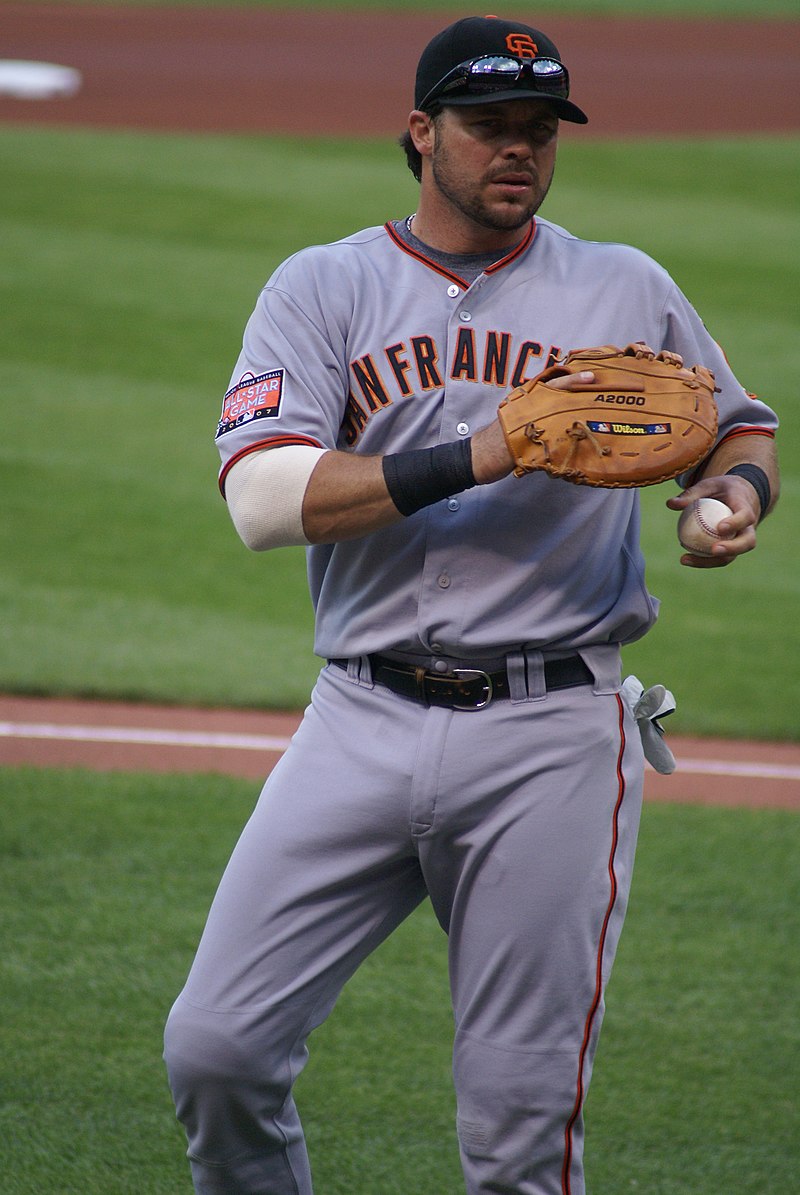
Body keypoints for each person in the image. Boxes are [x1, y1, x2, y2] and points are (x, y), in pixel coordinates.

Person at [163, 15, 779, 1194]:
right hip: (358, 717)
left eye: (538, 131)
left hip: (550, 732)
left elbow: (734, 423)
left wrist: (726, 501)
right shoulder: (323, 286)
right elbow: (261, 499)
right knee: (218, 1049)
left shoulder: (621, 283)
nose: (518, 150)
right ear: (418, 133)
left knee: (517, 1127)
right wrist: (486, 448)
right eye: (490, 125)